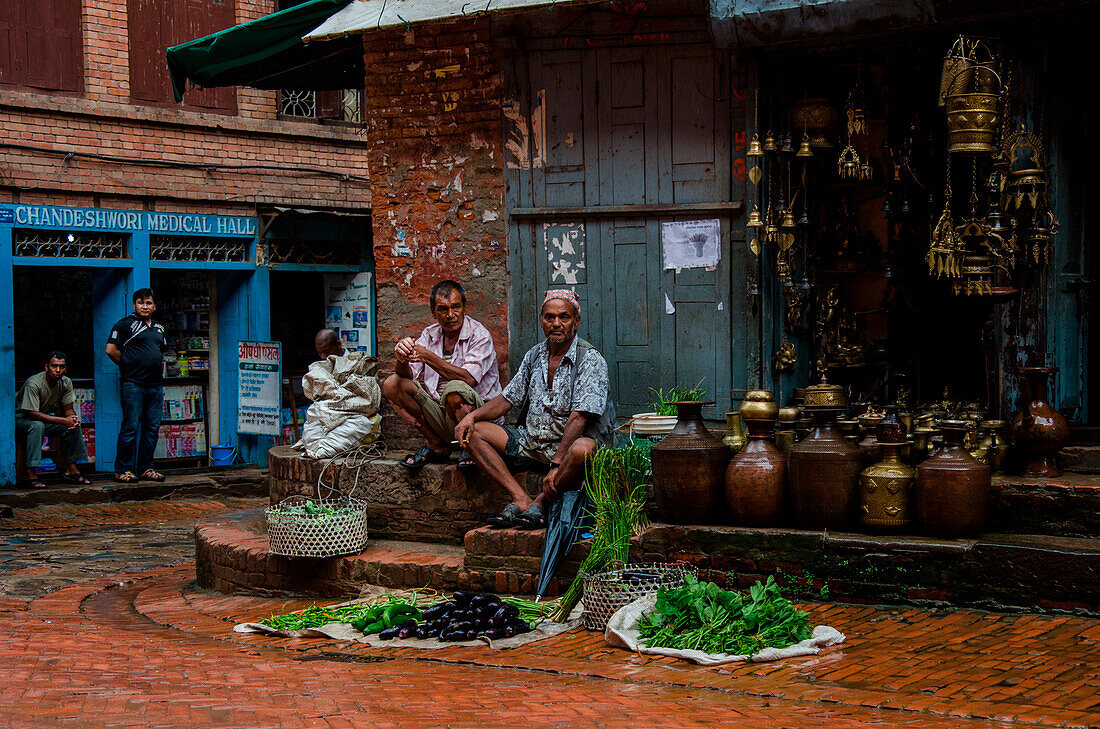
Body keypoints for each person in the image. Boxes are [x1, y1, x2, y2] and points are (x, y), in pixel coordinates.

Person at [455, 289, 615, 529]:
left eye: (564, 317)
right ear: (541, 320)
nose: (556, 324)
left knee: (584, 449)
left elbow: (579, 418)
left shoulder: (589, 359)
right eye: (549, 317)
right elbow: (506, 400)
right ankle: (520, 499)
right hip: (532, 444)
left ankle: (540, 502)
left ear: (576, 321)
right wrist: (471, 416)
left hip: (568, 449)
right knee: (474, 432)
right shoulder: (535, 356)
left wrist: (556, 465)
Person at [382, 280, 502, 471]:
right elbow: (409, 374)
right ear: (433, 312)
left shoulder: (480, 335)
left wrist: (427, 356)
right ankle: (437, 445)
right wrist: (402, 358)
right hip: (443, 413)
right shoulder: (429, 334)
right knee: (392, 384)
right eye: (443, 309)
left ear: (464, 308)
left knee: (454, 390)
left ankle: (469, 447)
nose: (450, 315)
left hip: (479, 419)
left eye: (456, 307)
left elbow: (468, 379)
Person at [106, 288, 166, 484]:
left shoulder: (159, 327)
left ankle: (145, 468)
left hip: (155, 386)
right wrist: (128, 365)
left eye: (148, 303)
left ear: (154, 306)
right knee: (131, 427)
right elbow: (110, 350)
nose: (145, 306)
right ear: (134, 305)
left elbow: (159, 351)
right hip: (133, 385)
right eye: (141, 303)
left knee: (152, 429)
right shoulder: (125, 325)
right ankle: (122, 470)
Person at [14, 351, 90, 489]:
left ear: (65, 368)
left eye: (61, 367)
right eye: (54, 366)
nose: (58, 370)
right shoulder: (34, 383)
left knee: (72, 426)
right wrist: (63, 420)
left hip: (41, 419)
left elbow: (68, 408)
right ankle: (30, 472)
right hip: (20, 420)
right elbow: (32, 414)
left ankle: (71, 469)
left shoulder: (66, 382)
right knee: (37, 425)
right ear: (46, 367)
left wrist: (71, 419)